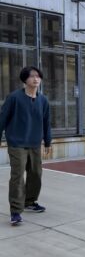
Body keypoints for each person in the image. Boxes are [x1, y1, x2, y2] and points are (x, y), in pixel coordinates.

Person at [0, 66, 51, 226]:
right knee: (17, 176)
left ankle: (30, 201)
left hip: (35, 143)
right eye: (32, 76)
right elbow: (2, 119)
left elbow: (46, 122)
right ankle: (16, 211)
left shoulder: (43, 100)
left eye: (38, 76)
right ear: (25, 79)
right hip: (17, 143)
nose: (36, 79)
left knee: (36, 173)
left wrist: (48, 141)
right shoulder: (14, 98)